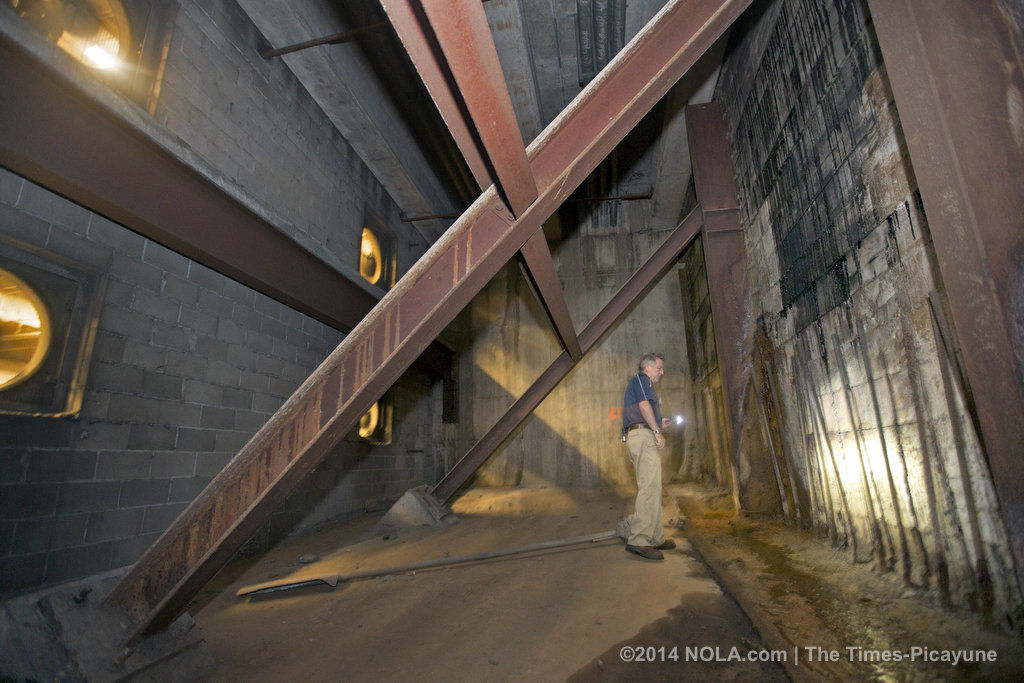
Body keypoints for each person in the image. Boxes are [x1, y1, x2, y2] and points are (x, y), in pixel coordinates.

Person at [619, 352, 675, 560]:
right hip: (642, 436)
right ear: (648, 367)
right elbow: (643, 406)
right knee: (648, 488)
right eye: (659, 368)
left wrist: (659, 423)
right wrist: (657, 431)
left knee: (654, 487)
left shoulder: (644, 383)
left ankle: (655, 537)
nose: (662, 371)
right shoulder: (641, 380)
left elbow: (643, 409)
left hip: (643, 433)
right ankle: (639, 540)